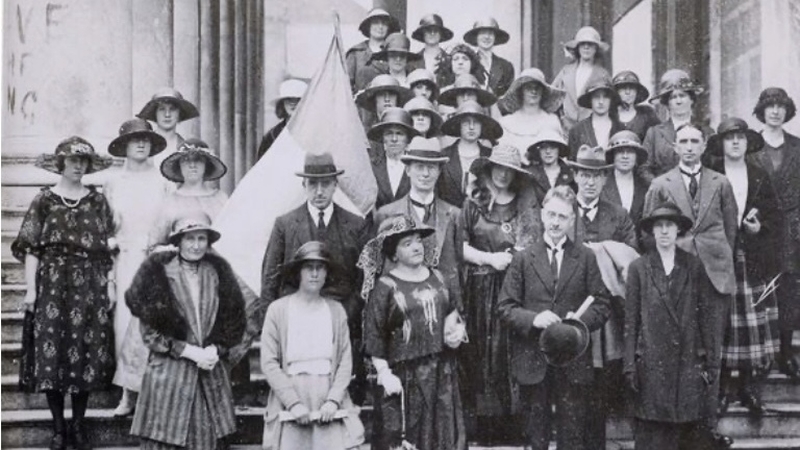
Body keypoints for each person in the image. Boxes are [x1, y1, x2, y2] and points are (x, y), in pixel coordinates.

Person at [12, 136, 116, 450]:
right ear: (60, 163)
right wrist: (31, 290)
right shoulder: (43, 200)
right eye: (72, 160)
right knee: (51, 354)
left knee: (85, 351)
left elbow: (108, 249)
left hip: (89, 284)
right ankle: (58, 429)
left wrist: (109, 283)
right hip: (52, 284)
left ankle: (78, 426)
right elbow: (31, 249)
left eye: (83, 161)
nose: (78, 166)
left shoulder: (97, 201)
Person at [643, 122, 737, 448]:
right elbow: (648, 232)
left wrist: (717, 259)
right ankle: (677, 425)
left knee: (712, 352)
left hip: (714, 275)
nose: (689, 147)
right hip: (677, 272)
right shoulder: (660, 184)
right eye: (683, 141)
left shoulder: (721, 182)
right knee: (677, 349)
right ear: (674, 146)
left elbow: (730, 229)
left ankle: (707, 427)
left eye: (695, 141)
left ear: (704, 145)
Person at [497, 185, 611, 450]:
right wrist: (534, 319)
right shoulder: (523, 259)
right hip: (533, 360)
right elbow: (505, 307)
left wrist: (579, 323)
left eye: (562, 216)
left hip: (573, 361)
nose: (556, 222)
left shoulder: (586, 257)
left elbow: (602, 304)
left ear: (572, 220)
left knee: (572, 438)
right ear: (542, 215)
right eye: (551, 215)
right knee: (535, 438)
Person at [252, 152, 370, 404]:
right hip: (295, 323)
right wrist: (270, 326)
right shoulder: (285, 224)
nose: (319, 191)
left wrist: (346, 313)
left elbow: (365, 281)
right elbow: (270, 277)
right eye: (313, 184)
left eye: (325, 184)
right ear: (303, 185)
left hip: (342, 323)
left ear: (335, 185)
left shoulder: (356, 225)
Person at [127, 212, 246, 449]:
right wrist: (188, 351)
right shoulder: (159, 274)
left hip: (208, 372)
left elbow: (233, 322)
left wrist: (215, 349)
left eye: (201, 238)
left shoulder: (217, 274)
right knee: (166, 437)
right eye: (189, 238)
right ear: (178, 241)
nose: (196, 245)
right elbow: (150, 333)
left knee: (205, 438)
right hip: (170, 373)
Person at [457, 143, 542, 443]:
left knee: (512, 352)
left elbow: (534, 245)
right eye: (498, 168)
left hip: (515, 290)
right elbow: (459, 246)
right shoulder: (473, 203)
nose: (503, 175)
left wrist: (516, 259)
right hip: (481, 290)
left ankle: (515, 426)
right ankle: (485, 427)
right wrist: (489, 259)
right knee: (484, 353)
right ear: (489, 169)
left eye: (509, 170)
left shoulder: (525, 205)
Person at [361, 215, 467, 450]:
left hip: (442, 375)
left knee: (445, 438)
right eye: (407, 243)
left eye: (418, 240)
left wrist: (457, 332)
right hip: (406, 380)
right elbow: (375, 334)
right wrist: (384, 373)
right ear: (393, 253)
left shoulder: (438, 277)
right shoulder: (385, 287)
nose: (417, 247)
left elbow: (452, 313)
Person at [624, 202, 719, 450]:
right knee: (653, 435)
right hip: (651, 367)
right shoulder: (639, 268)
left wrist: (711, 362)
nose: (664, 231)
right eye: (659, 226)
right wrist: (629, 365)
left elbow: (706, 318)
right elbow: (631, 321)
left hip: (686, 365)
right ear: (652, 231)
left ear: (678, 230)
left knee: (685, 433)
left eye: (670, 225)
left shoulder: (693, 266)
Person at [704, 118, 782, 416]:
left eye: (740, 137)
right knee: (724, 322)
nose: (735, 142)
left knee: (751, 325)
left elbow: (774, 215)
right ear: (721, 144)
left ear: (748, 143)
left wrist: (759, 227)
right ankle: (723, 388)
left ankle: (748, 388)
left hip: (752, 257)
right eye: (729, 138)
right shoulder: (711, 174)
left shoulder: (759, 175)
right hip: (720, 257)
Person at [260, 241, 365, 450]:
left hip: (328, 393)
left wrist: (333, 400)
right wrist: (293, 403)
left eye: (321, 268)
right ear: (298, 272)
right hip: (291, 393)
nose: (315, 274)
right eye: (309, 268)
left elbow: (345, 361)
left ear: (327, 274)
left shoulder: (336, 310)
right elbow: (269, 362)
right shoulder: (278, 310)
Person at [566, 144, 637, 447]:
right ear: (575, 176)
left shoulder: (618, 215)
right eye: (584, 174)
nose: (590, 181)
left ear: (605, 179)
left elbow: (632, 260)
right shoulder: (562, 211)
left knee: (601, 381)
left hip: (607, 315)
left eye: (596, 175)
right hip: (570, 308)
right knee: (573, 382)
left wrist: (603, 251)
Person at [104, 118, 170, 417]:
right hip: (125, 259)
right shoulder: (113, 182)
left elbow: (169, 222)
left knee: (156, 323)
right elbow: (106, 225)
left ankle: (153, 395)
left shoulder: (163, 182)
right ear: (124, 146)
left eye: (146, 139)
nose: (141, 144)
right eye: (135, 139)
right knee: (124, 324)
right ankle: (128, 393)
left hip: (156, 260)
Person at [748, 87, 800, 379]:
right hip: (760, 228)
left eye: (781, 106)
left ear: (787, 112)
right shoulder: (751, 146)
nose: (776, 111)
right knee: (760, 289)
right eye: (770, 106)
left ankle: (785, 353)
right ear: (762, 111)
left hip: (792, 229)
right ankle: (762, 355)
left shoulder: (797, 147)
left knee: (789, 290)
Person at [373, 136, 461, 290]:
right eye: (419, 167)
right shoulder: (386, 214)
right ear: (408, 170)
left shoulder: (454, 215)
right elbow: (379, 267)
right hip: (400, 298)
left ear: (439, 172)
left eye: (431, 167)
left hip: (443, 298)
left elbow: (456, 266)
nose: (425, 174)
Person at [148, 139, 229, 251]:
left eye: (198, 160)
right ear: (179, 166)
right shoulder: (170, 202)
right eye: (186, 160)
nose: (192, 165)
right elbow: (155, 244)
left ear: (206, 164)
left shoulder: (221, 198)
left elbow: (230, 237)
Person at [640, 69, 708, 182]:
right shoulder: (654, 133)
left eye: (682, 95)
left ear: (691, 100)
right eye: (673, 97)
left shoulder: (706, 131)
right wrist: (661, 187)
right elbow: (644, 168)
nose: (678, 101)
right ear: (667, 103)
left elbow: (713, 169)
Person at [438, 100, 502, 207]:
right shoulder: (444, 156)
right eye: (466, 122)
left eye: (476, 122)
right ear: (459, 125)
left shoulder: (491, 156)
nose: (471, 127)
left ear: (482, 126)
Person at [496, 68, 566, 164]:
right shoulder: (506, 123)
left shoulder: (552, 121)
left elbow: (559, 156)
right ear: (521, 91)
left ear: (543, 92)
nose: (534, 91)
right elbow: (501, 156)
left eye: (538, 88)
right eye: (529, 87)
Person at [552, 26, 612, 132]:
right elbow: (552, 95)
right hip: (566, 129)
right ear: (577, 47)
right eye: (582, 44)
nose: (586, 47)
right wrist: (561, 118)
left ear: (596, 48)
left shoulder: (603, 75)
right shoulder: (566, 71)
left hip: (592, 129)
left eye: (590, 44)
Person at [600, 130, 652, 244]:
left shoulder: (645, 186)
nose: (625, 156)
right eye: (620, 152)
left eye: (630, 152)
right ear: (613, 156)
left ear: (637, 156)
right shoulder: (601, 184)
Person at [367, 107, 421, 209]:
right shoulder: (372, 167)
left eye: (399, 134)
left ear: (408, 139)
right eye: (389, 133)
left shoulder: (416, 166)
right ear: (383, 137)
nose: (394, 139)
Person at [137, 87, 200, 169]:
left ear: (179, 114)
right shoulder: (142, 145)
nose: (167, 114)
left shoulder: (187, 148)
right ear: (155, 113)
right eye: (162, 109)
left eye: (172, 109)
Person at [345, 8, 400, 91]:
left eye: (384, 23)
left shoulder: (395, 52)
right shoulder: (356, 53)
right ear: (368, 26)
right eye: (376, 23)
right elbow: (346, 85)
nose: (380, 27)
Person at [568, 78, 624, 158]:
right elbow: (571, 161)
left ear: (611, 100)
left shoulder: (621, 129)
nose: (601, 102)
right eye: (596, 97)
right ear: (590, 100)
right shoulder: (577, 130)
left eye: (605, 97)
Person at [463, 17, 515, 97]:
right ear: (476, 37)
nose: (487, 37)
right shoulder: (467, 63)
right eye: (483, 33)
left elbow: (509, 97)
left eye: (490, 33)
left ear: (495, 38)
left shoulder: (506, 66)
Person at [257, 79, 308, 159]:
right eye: (289, 99)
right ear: (282, 103)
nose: (293, 104)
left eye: (298, 100)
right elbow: (263, 164)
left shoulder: (314, 132)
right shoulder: (271, 135)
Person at [526, 129, 577, 205]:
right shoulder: (530, 174)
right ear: (538, 151)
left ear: (559, 149)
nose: (548, 151)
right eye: (543, 147)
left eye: (552, 147)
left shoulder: (570, 174)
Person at [356, 32, 421, 91]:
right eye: (393, 55)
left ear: (407, 58)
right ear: (387, 57)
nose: (398, 59)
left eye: (402, 55)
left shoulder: (416, 79)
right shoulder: (378, 80)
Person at [613, 70, 660, 141]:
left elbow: (659, 138)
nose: (628, 92)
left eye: (632, 88)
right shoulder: (610, 115)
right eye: (623, 88)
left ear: (637, 91)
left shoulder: (646, 114)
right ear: (616, 92)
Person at [408, 14, 453, 87]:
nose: (432, 33)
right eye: (428, 30)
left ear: (441, 34)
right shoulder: (413, 61)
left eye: (436, 31)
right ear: (423, 33)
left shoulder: (449, 60)